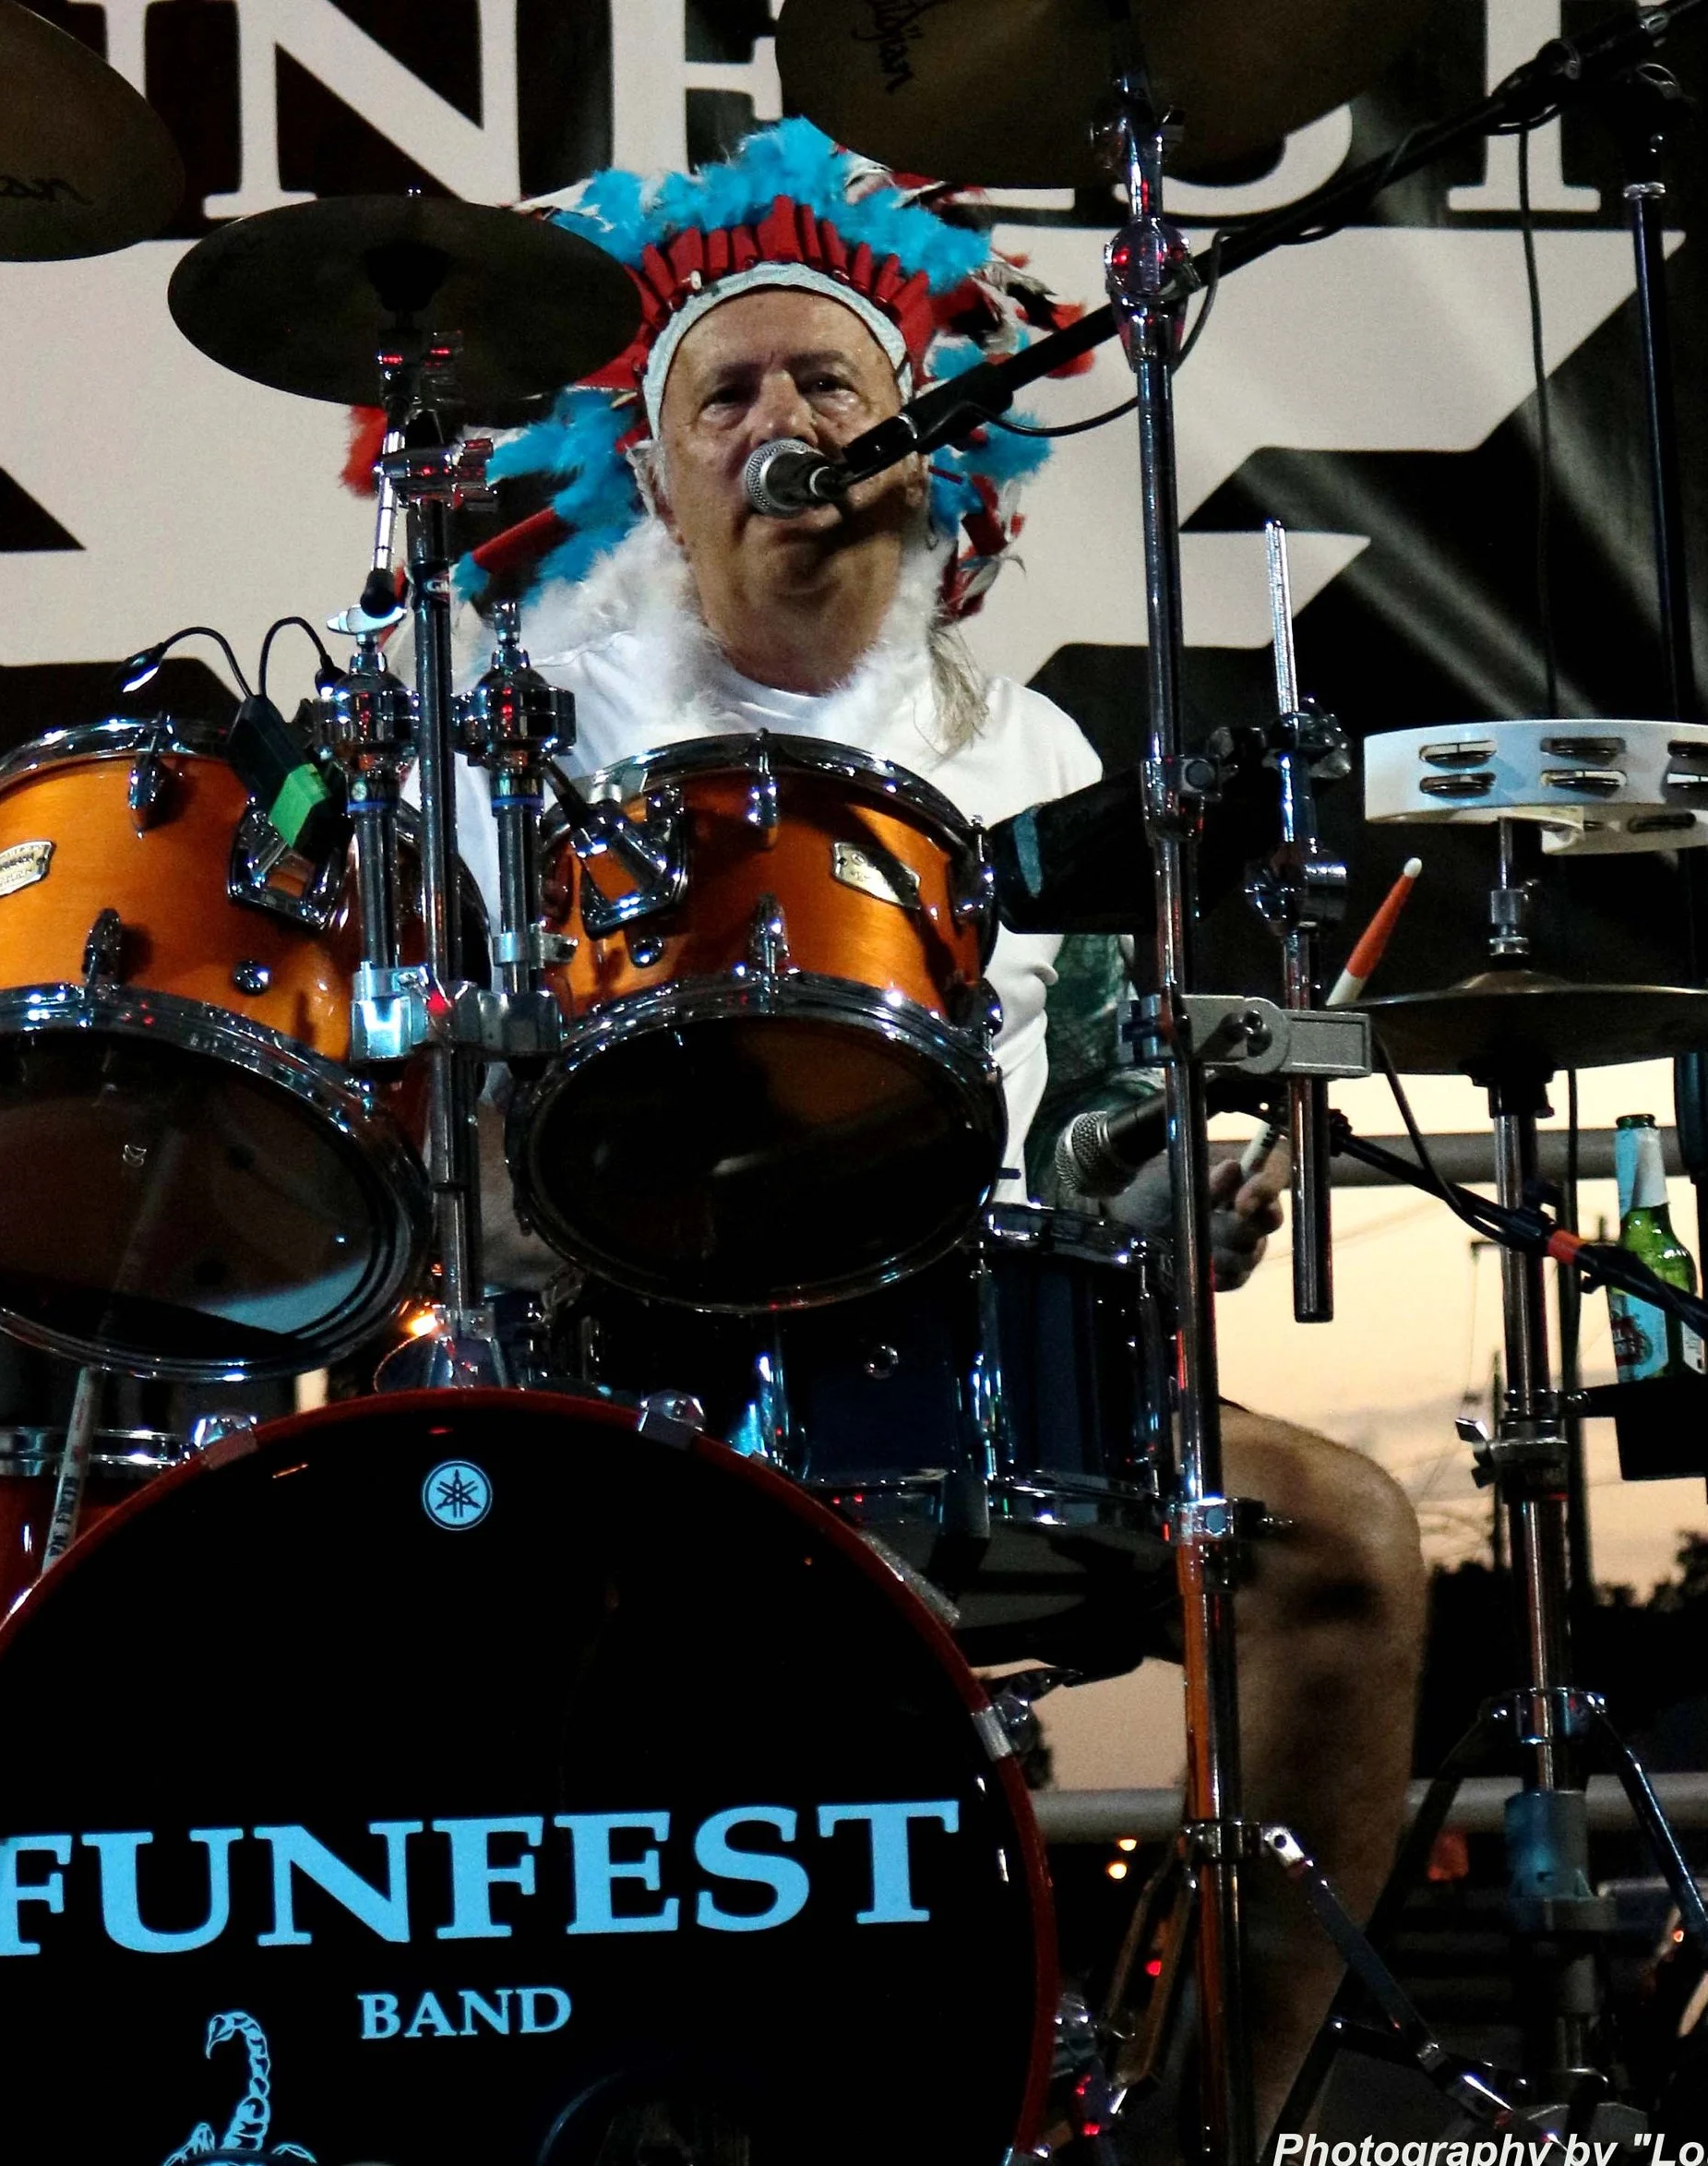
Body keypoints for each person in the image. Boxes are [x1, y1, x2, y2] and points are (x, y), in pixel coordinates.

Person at [440, 119, 1427, 2135]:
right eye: (726, 392)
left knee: (1343, 1537)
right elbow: (437, 1143)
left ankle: (1201, 2123)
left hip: (976, 1376)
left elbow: (1088, 1146)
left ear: (926, 436)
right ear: (648, 466)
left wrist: (1170, 1191)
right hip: (631, 1380)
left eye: (829, 382)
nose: (782, 418)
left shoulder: (1030, 750)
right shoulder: (526, 739)